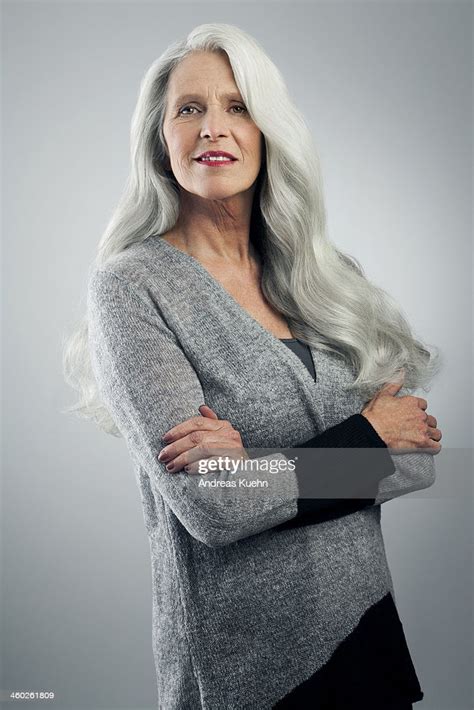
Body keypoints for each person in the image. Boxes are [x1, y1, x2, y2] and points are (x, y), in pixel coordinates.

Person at [63, 23, 443, 710]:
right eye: (190, 109)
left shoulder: (326, 278)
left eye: (238, 107)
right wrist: (363, 439)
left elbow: (415, 456)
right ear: (160, 137)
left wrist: (256, 464)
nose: (215, 128)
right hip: (249, 672)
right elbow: (214, 504)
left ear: (268, 131)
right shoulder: (132, 285)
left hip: (370, 637)